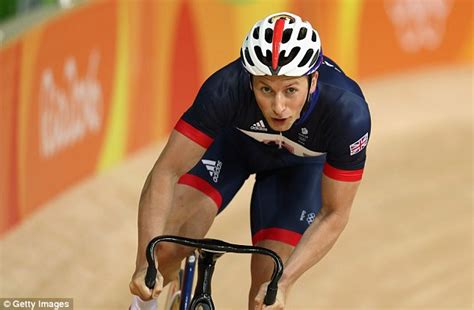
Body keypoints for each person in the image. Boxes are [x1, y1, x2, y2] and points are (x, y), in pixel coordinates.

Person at [129, 11, 371, 309]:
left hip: (298, 171)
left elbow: (334, 213)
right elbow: (165, 172)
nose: (278, 106)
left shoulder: (348, 113)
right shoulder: (226, 88)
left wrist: (283, 283)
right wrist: (145, 260)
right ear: (249, 79)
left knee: (266, 295)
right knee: (164, 249)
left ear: (313, 80)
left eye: (290, 90)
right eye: (265, 89)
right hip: (232, 148)